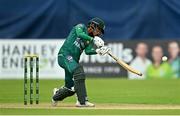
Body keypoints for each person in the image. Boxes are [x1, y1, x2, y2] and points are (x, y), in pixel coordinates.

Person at [52, 17, 110, 107]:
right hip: (64, 55)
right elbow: (79, 34)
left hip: (72, 61)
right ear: (93, 25)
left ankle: (56, 95)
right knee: (79, 72)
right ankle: (82, 102)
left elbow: (88, 51)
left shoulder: (90, 38)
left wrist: (98, 51)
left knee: (70, 89)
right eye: (99, 30)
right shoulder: (81, 26)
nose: (99, 33)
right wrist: (93, 40)